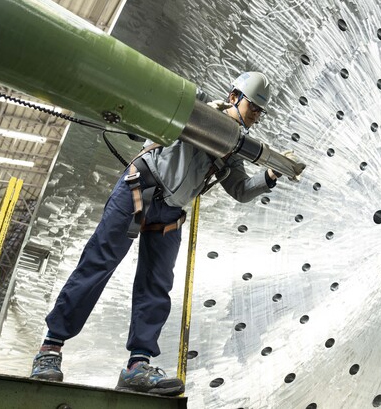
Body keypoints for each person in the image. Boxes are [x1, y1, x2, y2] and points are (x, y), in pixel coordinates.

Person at [29, 72, 297, 395]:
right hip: (139, 188)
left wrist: (268, 175)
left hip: (169, 215)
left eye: (259, 112)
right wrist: (187, 99)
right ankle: (50, 349)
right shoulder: (195, 110)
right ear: (233, 97)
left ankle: (137, 366)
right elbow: (169, 104)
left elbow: (239, 189)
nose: (254, 116)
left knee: (156, 285)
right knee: (99, 262)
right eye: (252, 107)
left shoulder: (232, 150)